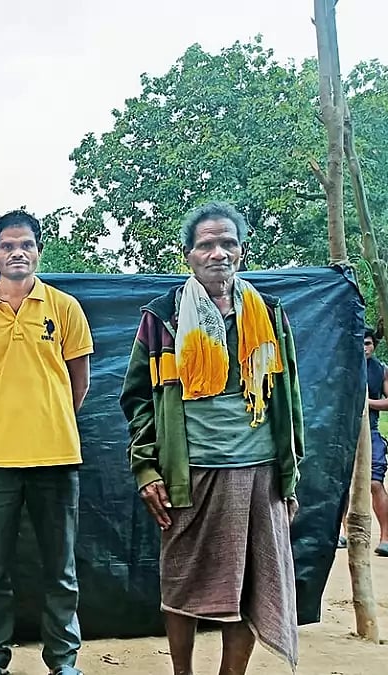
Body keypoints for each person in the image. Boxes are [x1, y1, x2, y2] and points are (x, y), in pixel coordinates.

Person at [119, 201, 304, 674]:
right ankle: (182, 673)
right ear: (189, 256)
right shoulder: (162, 317)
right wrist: (146, 468)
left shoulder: (268, 315)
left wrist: (291, 475)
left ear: (241, 252)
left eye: (227, 243)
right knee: (181, 582)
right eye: (206, 245)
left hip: (259, 472)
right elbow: (137, 399)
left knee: (247, 585)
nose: (217, 253)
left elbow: (290, 400)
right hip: (189, 472)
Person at [0, 210, 92, 675]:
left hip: (57, 454)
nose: (17, 253)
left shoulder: (65, 308)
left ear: (38, 251)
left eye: (26, 244)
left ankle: (63, 662)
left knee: (60, 568)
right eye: (8, 246)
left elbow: (80, 383)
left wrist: (45, 417)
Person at [357, 329, 388, 555]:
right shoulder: (344, 364)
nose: (365, 347)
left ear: (374, 345)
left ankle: (385, 537)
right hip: (345, 433)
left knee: (375, 484)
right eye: (361, 343)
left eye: (368, 343)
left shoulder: (382, 370)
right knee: (339, 487)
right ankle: (344, 535)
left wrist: (366, 402)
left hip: (372, 432)